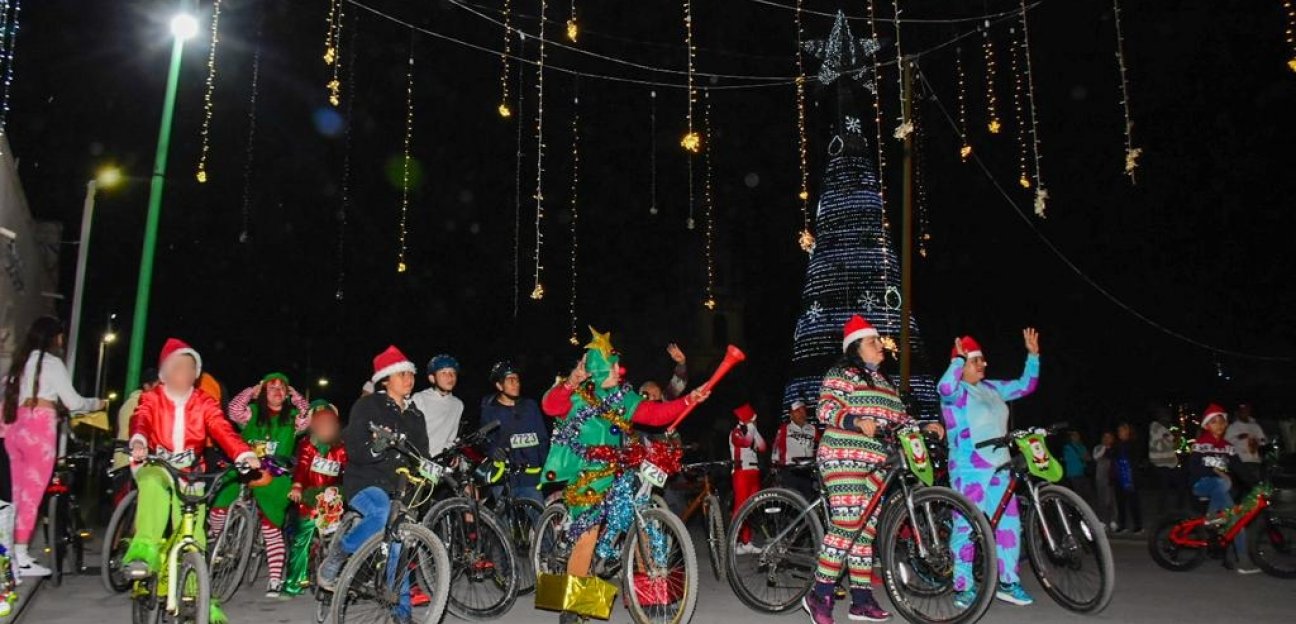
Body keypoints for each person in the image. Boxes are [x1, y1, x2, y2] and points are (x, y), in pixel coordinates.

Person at [537, 328, 710, 623]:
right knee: (588, 533)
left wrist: (688, 400)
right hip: (586, 474)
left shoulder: (623, 397)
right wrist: (570, 382)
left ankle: (643, 593)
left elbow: (655, 415)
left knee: (638, 517)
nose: (620, 370)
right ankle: (573, 609)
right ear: (599, 370)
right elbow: (550, 405)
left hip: (618, 468)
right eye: (614, 366)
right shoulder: (576, 395)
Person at [121, 338, 260, 623]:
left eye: (190, 367)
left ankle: (197, 593)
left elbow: (222, 428)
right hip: (158, 463)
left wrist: (243, 453)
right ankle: (144, 553)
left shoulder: (203, 401)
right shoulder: (152, 398)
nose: (185, 373)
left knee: (194, 530)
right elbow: (142, 419)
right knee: (153, 487)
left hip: (190, 469)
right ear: (165, 373)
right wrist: (138, 441)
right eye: (179, 367)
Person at [803, 315, 925, 624]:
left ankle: (860, 600)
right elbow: (826, 408)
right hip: (842, 455)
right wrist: (856, 420)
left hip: (877, 462)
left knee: (865, 531)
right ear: (856, 347)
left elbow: (900, 420)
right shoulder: (841, 373)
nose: (880, 344)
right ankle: (820, 593)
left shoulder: (884, 382)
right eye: (873, 341)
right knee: (847, 524)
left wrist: (925, 427)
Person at [317, 345, 428, 613]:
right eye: (401, 374)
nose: (408, 379)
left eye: (410, 374)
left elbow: (421, 454)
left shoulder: (416, 415)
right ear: (386, 379)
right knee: (380, 512)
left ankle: (401, 614)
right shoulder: (368, 405)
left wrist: (433, 468)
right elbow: (354, 447)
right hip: (365, 482)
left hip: (400, 489)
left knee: (397, 549)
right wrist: (375, 448)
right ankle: (339, 554)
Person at [939, 329, 1041, 608]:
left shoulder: (993, 388)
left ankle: (1008, 582)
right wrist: (958, 361)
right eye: (977, 360)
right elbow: (944, 387)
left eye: (982, 359)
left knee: (1008, 526)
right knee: (967, 526)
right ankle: (964, 586)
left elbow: (1025, 386)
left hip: (1000, 467)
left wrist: (1033, 356)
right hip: (969, 468)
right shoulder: (956, 391)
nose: (983, 364)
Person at [1, 316, 105, 577]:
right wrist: (97, 404)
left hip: (14, 429)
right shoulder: (51, 363)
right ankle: (21, 557)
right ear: (54, 337)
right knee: (31, 496)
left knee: (13, 494)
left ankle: (7, 553)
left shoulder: (19, 364)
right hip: (39, 430)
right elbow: (73, 402)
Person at [210, 372, 308, 597]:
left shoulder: (292, 417)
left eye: (282, 388)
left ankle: (275, 578)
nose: (277, 391)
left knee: (271, 524)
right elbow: (233, 410)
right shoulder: (252, 413)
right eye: (271, 387)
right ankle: (219, 542)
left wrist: (296, 396)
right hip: (245, 466)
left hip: (275, 472)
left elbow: (307, 415)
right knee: (220, 496)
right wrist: (251, 391)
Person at [284, 400, 348, 596]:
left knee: (336, 541)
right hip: (309, 498)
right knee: (302, 540)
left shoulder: (341, 448)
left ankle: (333, 575)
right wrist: (297, 486)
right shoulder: (307, 446)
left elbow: (348, 468)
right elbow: (302, 468)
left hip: (332, 499)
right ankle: (295, 580)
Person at [1190, 404, 1259, 574]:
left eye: (1221, 421)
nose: (1219, 425)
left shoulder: (1227, 446)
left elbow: (1239, 467)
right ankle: (1211, 517)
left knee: (1237, 522)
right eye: (1214, 422)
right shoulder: (1201, 444)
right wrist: (1215, 472)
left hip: (1219, 490)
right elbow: (1193, 468)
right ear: (1206, 426)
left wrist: (1257, 483)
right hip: (1201, 485)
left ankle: (1243, 561)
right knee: (1223, 482)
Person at [481, 361, 549, 505]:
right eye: (510, 380)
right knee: (504, 523)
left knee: (540, 520)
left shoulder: (530, 406)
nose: (516, 384)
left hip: (530, 477)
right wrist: (493, 451)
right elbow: (485, 440)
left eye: (517, 379)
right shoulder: (490, 410)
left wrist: (546, 469)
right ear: (499, 386)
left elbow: (543, 439)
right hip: (504, 478)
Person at [729, 403, 766, 555]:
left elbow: (763, 447)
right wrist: (751, 428)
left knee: (752, 509)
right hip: (741, 472)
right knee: (740, 509)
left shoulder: (752, 431)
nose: (755, 422)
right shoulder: (735, 432)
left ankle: (746, 542)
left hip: (754, 471)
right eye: (753, 419)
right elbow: (744, 442)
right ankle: (733, 543)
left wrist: (754, 429)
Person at [411, 354, 464, 457]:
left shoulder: (458, 404)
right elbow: (411, 432)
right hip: (417, 457)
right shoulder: (420, 398)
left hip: (439, 462)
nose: (450, 377)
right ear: (432, 378)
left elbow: (451, 438)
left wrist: (451, 455)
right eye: (443, 372)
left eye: (453, 372)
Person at [772, 400, 821, 501]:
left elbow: (822, 444)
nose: (801, 414)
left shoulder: (812, 429)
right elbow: (776, 447)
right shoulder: (785, 428)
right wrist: (774, 464)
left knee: (808, 500)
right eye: (798, 411)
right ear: (791, 414)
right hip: (790, 470)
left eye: (803, 411)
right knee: (791, 501)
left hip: (807, 471)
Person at [1148, 408, 1184, 511]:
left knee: (1173, 487)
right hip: (1161, 463)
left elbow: (1175, 444)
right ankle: (1163, 510)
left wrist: (1176, 435)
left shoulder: (1164, 430)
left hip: (1169, 463)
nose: (1167, 420)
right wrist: (1176, 435)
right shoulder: (1156, 426)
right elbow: (1172, 440)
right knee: (1165, 488)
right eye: (1165, 417)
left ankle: (1172, 509)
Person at [1225, 403, 1267, 490]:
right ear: (1239, 413)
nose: (1245, 413)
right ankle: (1240, 501)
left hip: (1254, 459)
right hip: (1240, 460)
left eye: (1247, 411)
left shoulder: (1255, 426)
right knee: (1241, 484)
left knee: (1254, 484)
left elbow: (1263, 440)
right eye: (1243, 411)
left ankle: (1253, 501)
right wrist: (1238, 437)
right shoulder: (1233, 426)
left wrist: (1259, 441)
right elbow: (1226, 442)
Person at [1112, 422, 1142, 533]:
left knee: (1133, 502)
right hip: (1118, 477)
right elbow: (1112, 459)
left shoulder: (1133, 443)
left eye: (1122, 430)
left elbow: (1135, 460)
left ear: (1128, 431)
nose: (1120, 433)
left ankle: (1138, 525)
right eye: (1119, 431)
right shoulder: (1116, 445)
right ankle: (1122, 525)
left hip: (1130, 476)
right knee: (1120, 503)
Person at [1092, 431, 1117, 531]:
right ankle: (1103, 521)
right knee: (1102, 500)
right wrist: (1104, 448)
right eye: (1105, 437)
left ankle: (1113, 521)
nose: (1107, 439)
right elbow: (1095, 457)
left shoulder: (1115, 448)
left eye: (1109, 437)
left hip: (1112, 477)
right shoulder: (1098, 448)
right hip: (1101, 478)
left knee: (1112, 500)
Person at [1062, 430, 1094, 503]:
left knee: (1088, 493)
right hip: (1073, 474)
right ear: (1071, 437)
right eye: (1073, 435)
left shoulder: (1082, 446)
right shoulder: (1067, 447)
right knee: (1078, 495)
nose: (1076, 436)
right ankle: (1080, 511)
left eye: (1077, 434)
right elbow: (1068, 458)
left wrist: (1085, 457)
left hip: (1084, 473)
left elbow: (1088, 458)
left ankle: (1088, 510)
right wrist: (1083, 457)